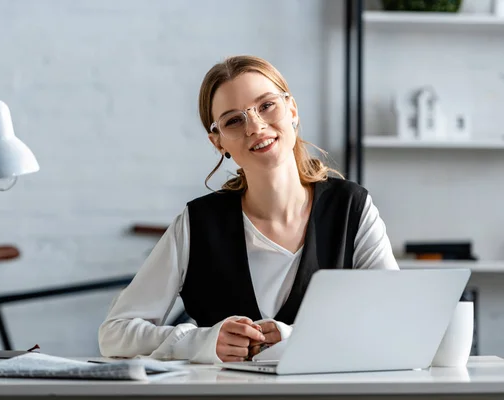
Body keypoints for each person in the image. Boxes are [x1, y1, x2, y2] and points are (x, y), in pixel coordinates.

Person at [98, 55, 399, 364]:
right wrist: (198, 342)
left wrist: (296, 339)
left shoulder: (352, 208)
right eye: (233, 120)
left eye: (267, 105)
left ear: (291, 109)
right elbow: (114, 333)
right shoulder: (197, 224)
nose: (255, 126)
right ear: (218, 143)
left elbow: (395, 323)